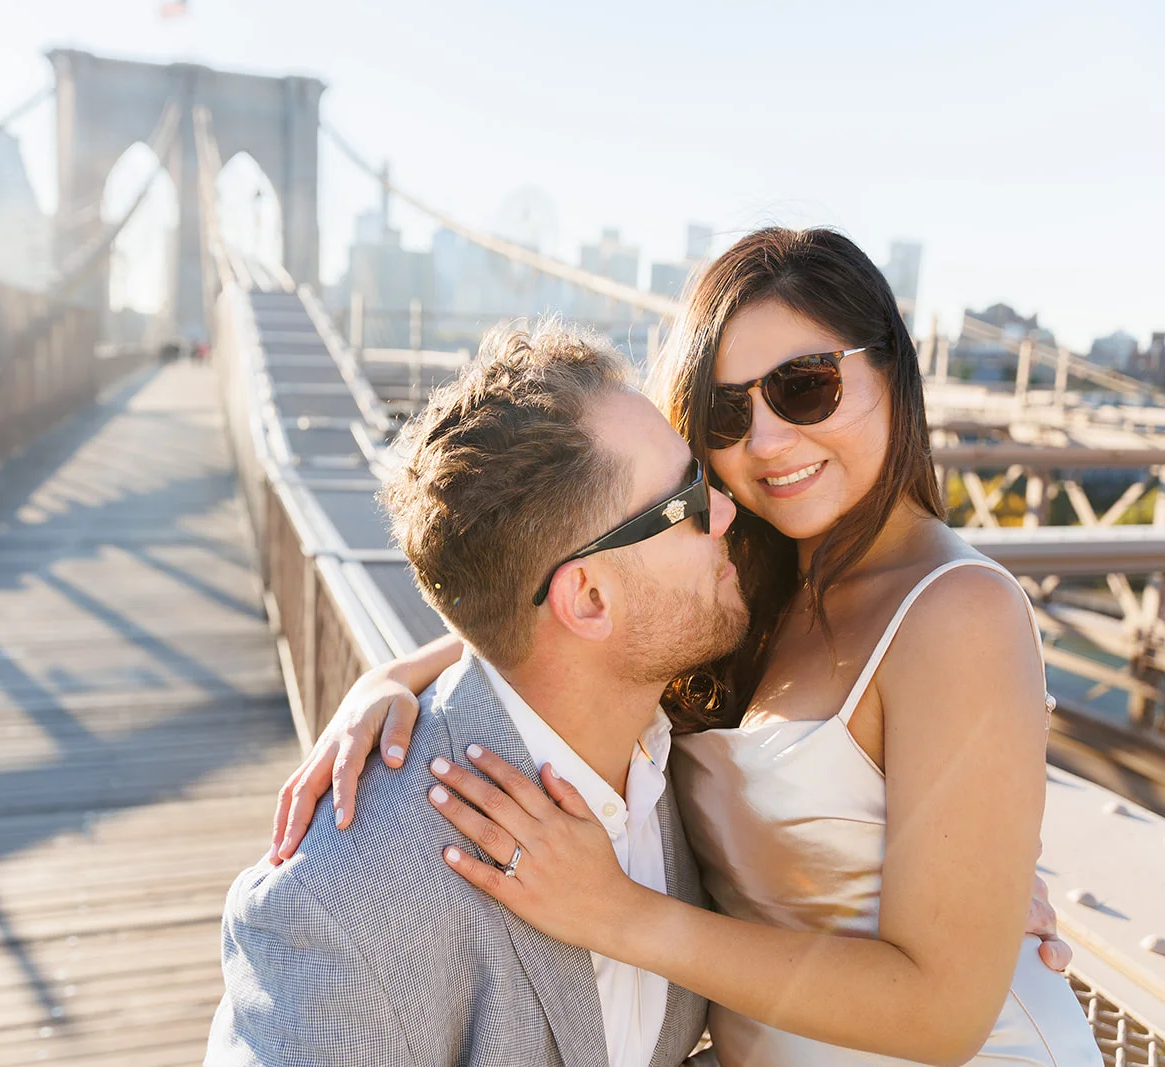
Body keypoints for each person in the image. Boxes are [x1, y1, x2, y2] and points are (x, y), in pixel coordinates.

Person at [268, 228, 1099, 1066]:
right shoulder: (749, 591)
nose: (767, 443)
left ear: (891, 369)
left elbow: (943, 1013)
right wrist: (394, 675)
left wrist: (618, 913)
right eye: (729, 413)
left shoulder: (959, 611)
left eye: (807, 388)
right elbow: (565, 608)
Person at [208, 321, 739, 1066]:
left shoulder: (679, 745)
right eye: (686, 501)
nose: (726, 512)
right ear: (588, 598)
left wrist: (392, 672)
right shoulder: (336, 908)